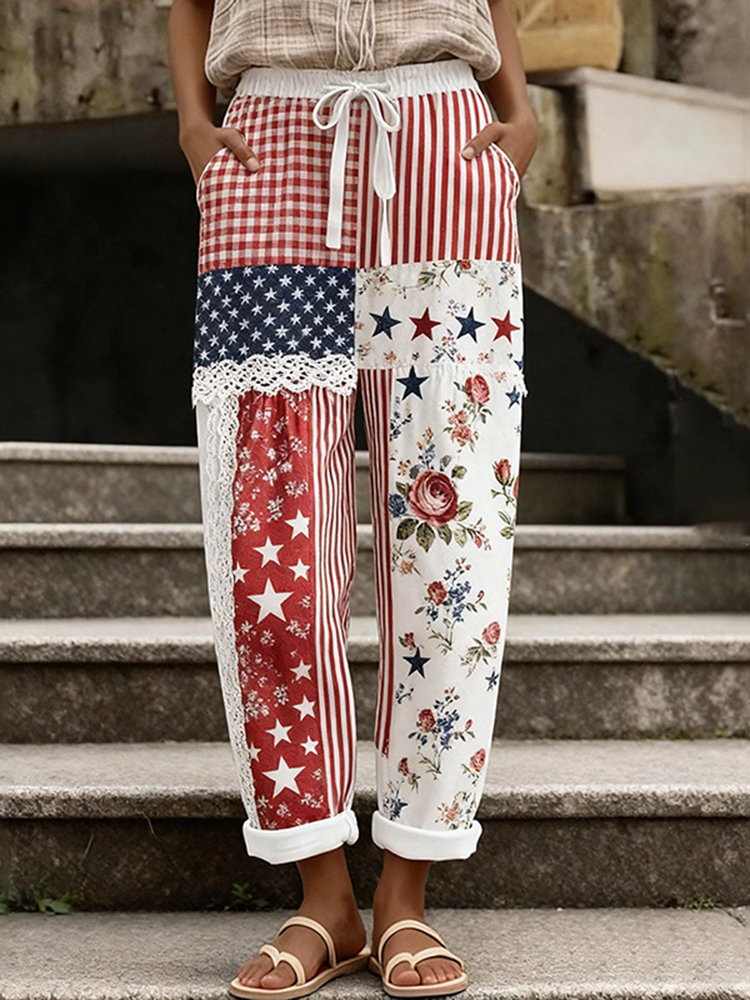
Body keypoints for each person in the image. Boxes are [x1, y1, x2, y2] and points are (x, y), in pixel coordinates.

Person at [168, 1, 537, 996]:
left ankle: (406, 894)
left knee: (453, 547)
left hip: (443, 147)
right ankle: (324, 896)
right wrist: (194, 124)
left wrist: (521, 111)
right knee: (273, 561)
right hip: (271, 153)